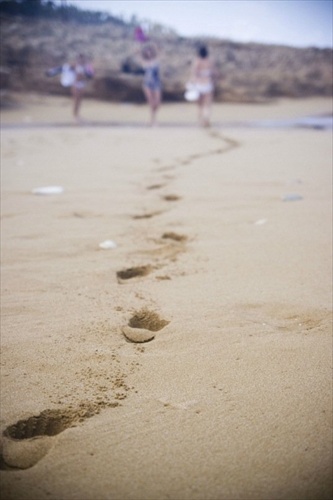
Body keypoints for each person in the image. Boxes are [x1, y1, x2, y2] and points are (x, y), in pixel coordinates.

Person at [189, 45, 216, 127]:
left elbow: (194, 73)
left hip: (199, 84)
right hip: (207, 83)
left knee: (200, 105)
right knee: (207, 104)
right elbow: (213, 72)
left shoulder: (197, 61)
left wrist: (192, 82)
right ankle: (206, 120)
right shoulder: (209, 61)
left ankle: (200, 121)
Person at [140, 43, 162, 127]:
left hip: (156, 83)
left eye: (150, 52)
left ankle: (153, 119)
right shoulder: (144, 62)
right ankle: (153, 120)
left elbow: (161, 54)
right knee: (151, 103)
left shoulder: (156, 61)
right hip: (147, 83)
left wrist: (155, 47)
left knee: (157, 103)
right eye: (147, 52)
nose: (148, 53)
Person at [70, 54, 94, 123]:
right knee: (76, 101)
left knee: (79, 101)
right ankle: (75, 116)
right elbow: (77, 76)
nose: (82, 60)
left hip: (82, 85)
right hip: (76, 85)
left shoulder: (86, 66)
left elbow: (90, 75)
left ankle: (77, 115)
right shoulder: (75, 66)